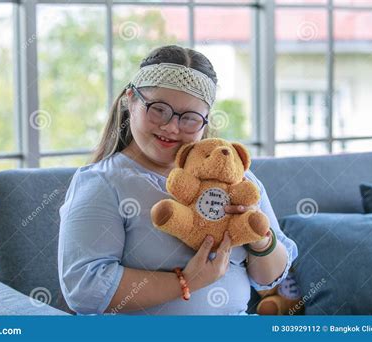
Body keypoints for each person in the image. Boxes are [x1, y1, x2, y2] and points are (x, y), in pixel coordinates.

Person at [58, 45, 298, 315]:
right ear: (131, 100)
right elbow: (84, 288)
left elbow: (270, 276)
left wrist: (259, 238)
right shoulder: (103, 182)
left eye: (189, 118)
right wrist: (186, 281)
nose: (171, 127)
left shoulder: (236, 176)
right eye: (159, 109)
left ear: (205, 122)